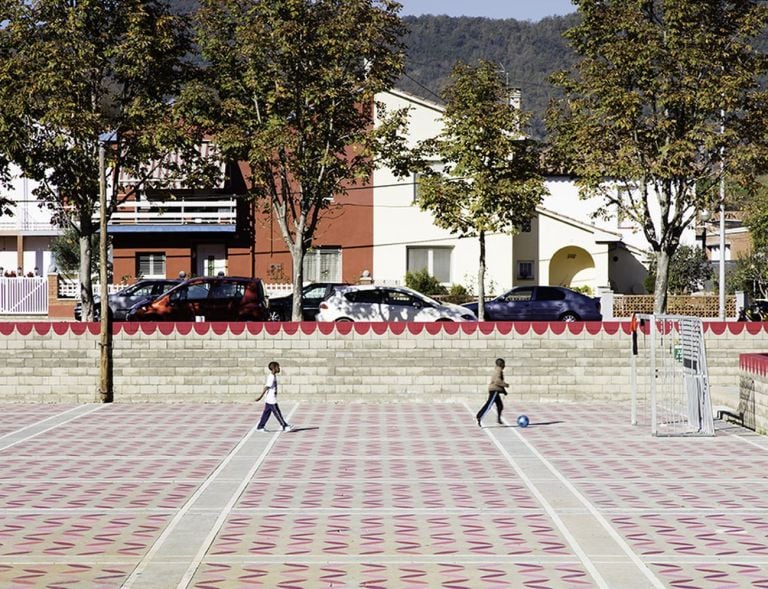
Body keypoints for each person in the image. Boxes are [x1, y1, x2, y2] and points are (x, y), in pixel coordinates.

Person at [256, 361, 293, 432]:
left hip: (269, 399)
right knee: (277, 413)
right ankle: (284, 426)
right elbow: (266, 387)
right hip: (271, 399)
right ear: (274, 368)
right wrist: (260, 397)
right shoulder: (271, 377)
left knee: (266, 413)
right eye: (278, 367)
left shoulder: (273, 376)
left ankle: (260, 427)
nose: (279, 368)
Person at [476, 358, 509, 427]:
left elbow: (498, 382)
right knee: (489, 405)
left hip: (496, 390)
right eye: (504, 364)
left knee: (500, 405)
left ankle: (499, 419)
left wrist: (504, 391)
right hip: (494, 390)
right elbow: (497, 381)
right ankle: (479, 416)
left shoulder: (498, 370)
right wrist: (505, 384)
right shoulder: (498, 370)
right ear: (501, 364)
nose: (504, 365)